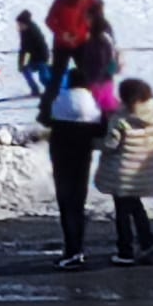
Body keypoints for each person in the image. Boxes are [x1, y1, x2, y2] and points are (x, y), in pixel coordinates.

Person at [94, 79, 153, 265]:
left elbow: (110, 144)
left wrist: (94, 142)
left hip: (123, 171)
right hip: (143, 170)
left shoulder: (121, 119)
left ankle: (126, 251)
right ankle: (146, 240)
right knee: (136, 206)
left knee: (122, 212)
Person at [46, 83, 103, 267]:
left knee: (66, 205)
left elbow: (46, 118)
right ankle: (78, 247)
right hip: (82, 157)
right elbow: (101, 128)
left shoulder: (60, 99)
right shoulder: (91, 102)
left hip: (61, 159)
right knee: (78, 204)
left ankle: (71, 249)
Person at [75, 1, 121, 112]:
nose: (85, 21)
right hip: (101, 78)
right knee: (107, 103)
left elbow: (101, 60)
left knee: (104, 106)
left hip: (99, 79)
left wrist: (94, 79)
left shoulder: (99, 38)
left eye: (87, 18)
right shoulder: (96, 35)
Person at [16, 11, 52, 94]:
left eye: (20, 24)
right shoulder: (23, 32)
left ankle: (52, 90)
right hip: (33, 59)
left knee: (43, 78)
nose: (18, 26)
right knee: (25, 70)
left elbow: (40, 49)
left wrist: (43, 61)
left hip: (42, 59)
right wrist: (22, 63)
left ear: (26, 24)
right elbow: (23, 49)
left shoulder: (34, 32)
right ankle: (35, 90)